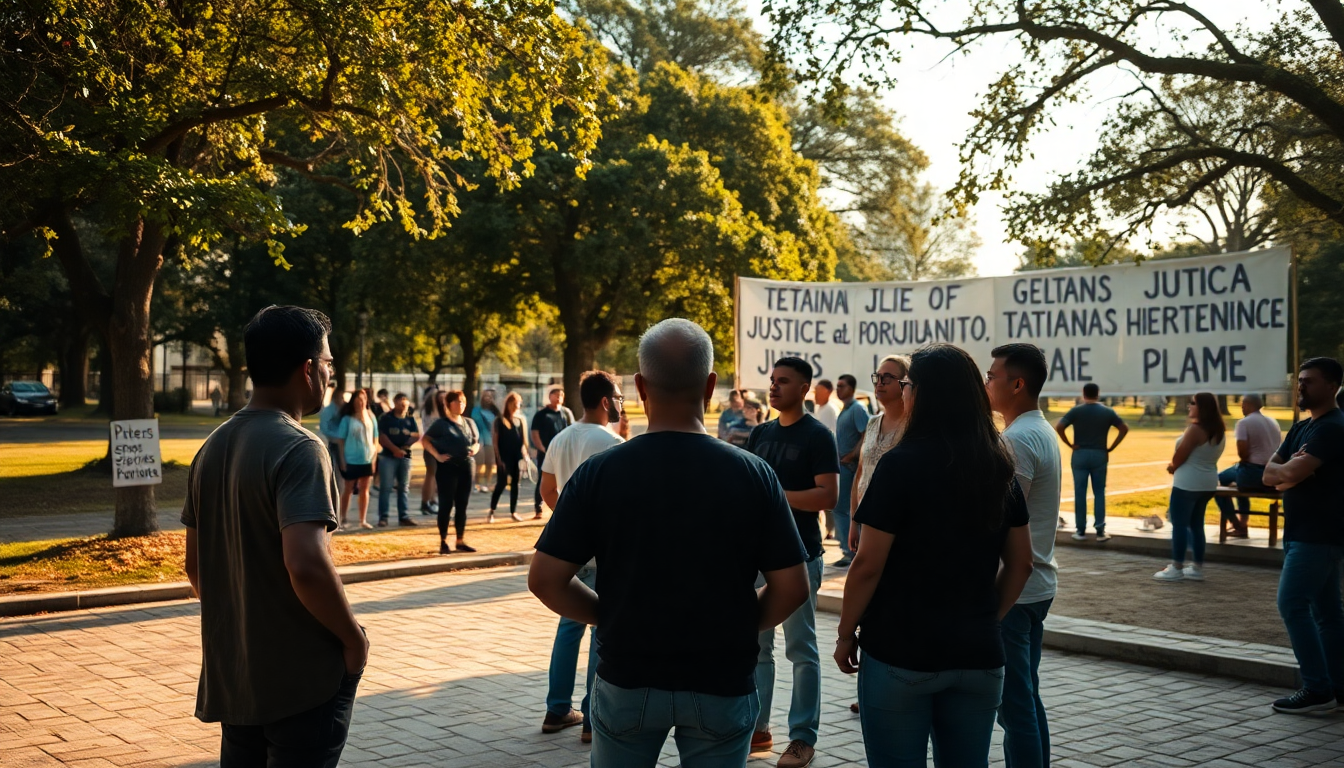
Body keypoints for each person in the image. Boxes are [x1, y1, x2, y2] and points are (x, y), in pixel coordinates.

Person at [528, 318, 809, 768]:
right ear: (711, 385)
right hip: (722, 679)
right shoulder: (753, 475)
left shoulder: (600, 473)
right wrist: (740, 623)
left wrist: (607, 614)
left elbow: (545, 579)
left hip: (627, 676)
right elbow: (793, 587)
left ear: (640, 386)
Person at [183, 305, 367, 768]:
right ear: (307, 369)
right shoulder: (301, 447)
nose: (330, 373)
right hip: (301, 680)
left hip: (237, 675)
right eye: (327, 363)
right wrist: (353, 640)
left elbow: (194, 566)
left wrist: (248, 619)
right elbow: (305, 563)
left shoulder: (211, 447)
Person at [835, 343, 1034, 768]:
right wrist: (988, 616)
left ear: (922, 392)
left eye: (906, 384)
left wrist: (845, 632)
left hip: (900, 652)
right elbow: (1021, 563)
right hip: (978, 654)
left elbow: (867, 564)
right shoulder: (998, 463)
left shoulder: (900, 464)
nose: (903, 391)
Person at [748, 357, 839, 768]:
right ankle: (758, 728)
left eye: (784, 381)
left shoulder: (818, 435)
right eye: (772, 380)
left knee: (801, 650)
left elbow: (827, 497)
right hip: (757, 559)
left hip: (801, 555)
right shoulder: (760, 433)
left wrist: (775, 495)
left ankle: (803, 737)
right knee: (757, 649)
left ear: (804, 388)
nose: (774, 387)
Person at [537, 371, 626, 742]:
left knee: (568, 625)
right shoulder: (613, 443)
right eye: (619, 397)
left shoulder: (561, 437)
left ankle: (557, 709)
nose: (621, 402)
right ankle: (592, 717)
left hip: (570, 550)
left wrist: (570, 524)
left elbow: (547, 489)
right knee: (601, 627)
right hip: (603, 549)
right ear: (605, 401)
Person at [987, 344, 1062, 768]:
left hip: (1015, 587)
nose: (986, 383)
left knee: (1014, 706)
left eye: (991, 375)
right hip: (1034, 585)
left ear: (1017, 384)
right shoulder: (1036, 429)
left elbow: (999, 520)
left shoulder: (1016, 438)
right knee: (1025, 699)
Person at [1261, 357, 1344, 714]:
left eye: (1308, 381)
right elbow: (1267, 474)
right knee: (1328, 614)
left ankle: (1315, 688)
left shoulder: (1333, 427)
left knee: (1292, 604)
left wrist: (1289, 473)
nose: (1300, 387)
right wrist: (1291, 475)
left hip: (1318, 534)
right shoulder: (1300, 428)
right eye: (1299, 381)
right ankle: (1338, 689)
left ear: (1332, 385)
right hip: (1302, 533)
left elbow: (1288, 470)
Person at [843, 354, 911, 715]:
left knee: (889, 602)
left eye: (890, 377)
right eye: (878, 376)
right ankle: (867, 686)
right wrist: (854, 519)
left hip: (897, 529)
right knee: (866, 605)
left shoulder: (915, 425)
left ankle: (894, 683)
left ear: (906, 385)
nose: (880, 382)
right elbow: (860, 472)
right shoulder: (872, 423)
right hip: (868, 524)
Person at [1154, 393, 1226, 581]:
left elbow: (1181, 454)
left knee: (1179, 524)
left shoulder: (1195, 429)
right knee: (1196, 525)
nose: (1189, 406)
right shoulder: (1219, 429)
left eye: (1192, 403)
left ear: (1202, 407)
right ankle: (1196, 567)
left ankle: (1177, 567)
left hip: (1187, 483)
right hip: (1207, 482)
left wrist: (1172, 466)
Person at [1055, 383, 1128, 542]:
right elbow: (1123, 428)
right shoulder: (1107, 412)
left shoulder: (1076, 411)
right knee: (1099, 492)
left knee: (1080, 493)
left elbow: (1059, 426)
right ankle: (1100, 531)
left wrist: (1070, 444)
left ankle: (1080, 530)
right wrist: (1111, 447)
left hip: (1080, 453)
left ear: (1083, 393)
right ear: (1098, 393)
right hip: (1100, 453)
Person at [421, 390, 480, 554]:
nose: (460, 405)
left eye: (462, 401)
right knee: (446, 504)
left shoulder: (469, 422)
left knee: (462, 505)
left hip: (466, 467)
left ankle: (460, 540)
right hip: (448, 468)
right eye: (456, 402)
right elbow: (425, 440)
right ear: (448, 404)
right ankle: (443, 541)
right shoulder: (441, 424)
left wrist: (474, 449)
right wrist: (437, 456)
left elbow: (476, 442)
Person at [1215, 394, 1282, 537]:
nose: (1241, 407)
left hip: (1253, 474)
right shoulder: (1273, 421)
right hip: (1273, 475)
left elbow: (1243, 453)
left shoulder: (1244, 423)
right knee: (1235, 476)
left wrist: (1242, 462)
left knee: (1218, 481)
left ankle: (1237, 525)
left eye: (1243, 404)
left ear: (1249, 405)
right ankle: (1242, 523)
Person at [832, 374, 869, 568]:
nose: (838, 389)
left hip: (849, 467)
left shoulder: (857, 409)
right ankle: (849, 550)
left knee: (843, 508)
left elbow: (866, 434)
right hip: (842, 466)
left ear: (852, 389)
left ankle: (850, 551)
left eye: (842, 386)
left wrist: (852, 455)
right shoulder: (845, 409)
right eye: (837, 386)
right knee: (842, 508)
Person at [332, 389, 379, 530]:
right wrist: (342, 460)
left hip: (367, 459)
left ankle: (362, 519)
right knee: (348, 489)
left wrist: (374, 458)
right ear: (353, 402)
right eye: (358, 399)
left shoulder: (371, 417)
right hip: (351, 458)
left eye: (363, 399)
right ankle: (343, 517)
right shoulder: (347, 419)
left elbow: (375, 439)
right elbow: (341, 441)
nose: (360, 402)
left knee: (365, 489)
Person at [531, 386, 576, 519]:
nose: (559, 397)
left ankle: (563, 506)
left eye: (561, 395)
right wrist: (542, 448)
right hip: (546, 453)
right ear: (550, 397)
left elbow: (573, 430)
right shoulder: (541, 414)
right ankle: (538, 507)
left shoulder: (566, 413)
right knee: (543, 480)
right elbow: (535, 433)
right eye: (556, 395)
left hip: (564, 453)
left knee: (565, 479)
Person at [375, 393, 419, 528]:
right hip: (388, 456)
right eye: (401, 404)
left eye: (406, 405)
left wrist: (405, 446)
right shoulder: (386, 418)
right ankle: (384, 517)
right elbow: (382, 437)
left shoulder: (410, 419)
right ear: (395, 403)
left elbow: (417, 435)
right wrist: (395, 450)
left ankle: (404, 516)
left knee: (404, 488)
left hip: (405, 457)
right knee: (386, 488)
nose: (404, 407)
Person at [491, 392, 527, 523]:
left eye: (518, 405)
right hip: (504, 456)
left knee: (516, 485)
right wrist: (498, 459)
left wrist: (525, 456)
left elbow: (522, 441)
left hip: (516, 457)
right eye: (514, 404)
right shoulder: (499, 421)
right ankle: (492, 511)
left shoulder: (520, 420)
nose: (516, 407)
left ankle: (513, 512)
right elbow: (495, 441)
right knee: (501, 484)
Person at [813, 379, 840, 541]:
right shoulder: (820, 409)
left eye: (819, 392)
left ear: (828, 392)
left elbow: (829, 436)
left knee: (827, 498)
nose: (816, 395)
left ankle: (833, 531)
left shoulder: (830, 410)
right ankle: (829, 530)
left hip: (828, 461)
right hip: (820, 459)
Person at [472, 389, 499, 493]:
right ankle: (476, 484)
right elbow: (474, 423)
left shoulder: (496, 411)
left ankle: (486, 484)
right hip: (479, 440)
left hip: (492, 440)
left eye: (490, 396)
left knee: (490, 463)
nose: (488, 398)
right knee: (479, 463)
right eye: (486, 396)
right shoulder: (476, 410)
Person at [419, 386, 441, 516]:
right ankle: (426, 502)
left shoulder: (428, 410)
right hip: (432, 446)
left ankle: (432, 500)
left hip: (435, 446)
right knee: (431, 475)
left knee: (434, 476)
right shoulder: (430, 411)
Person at [319, 385, 347, 474]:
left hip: (344, 442)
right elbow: (324, 427)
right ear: (335, 397)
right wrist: (335, 437)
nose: (343, 400)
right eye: (341, 397)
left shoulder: (343, 409)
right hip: (335, 443)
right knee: (337, 470)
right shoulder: (328, 410)